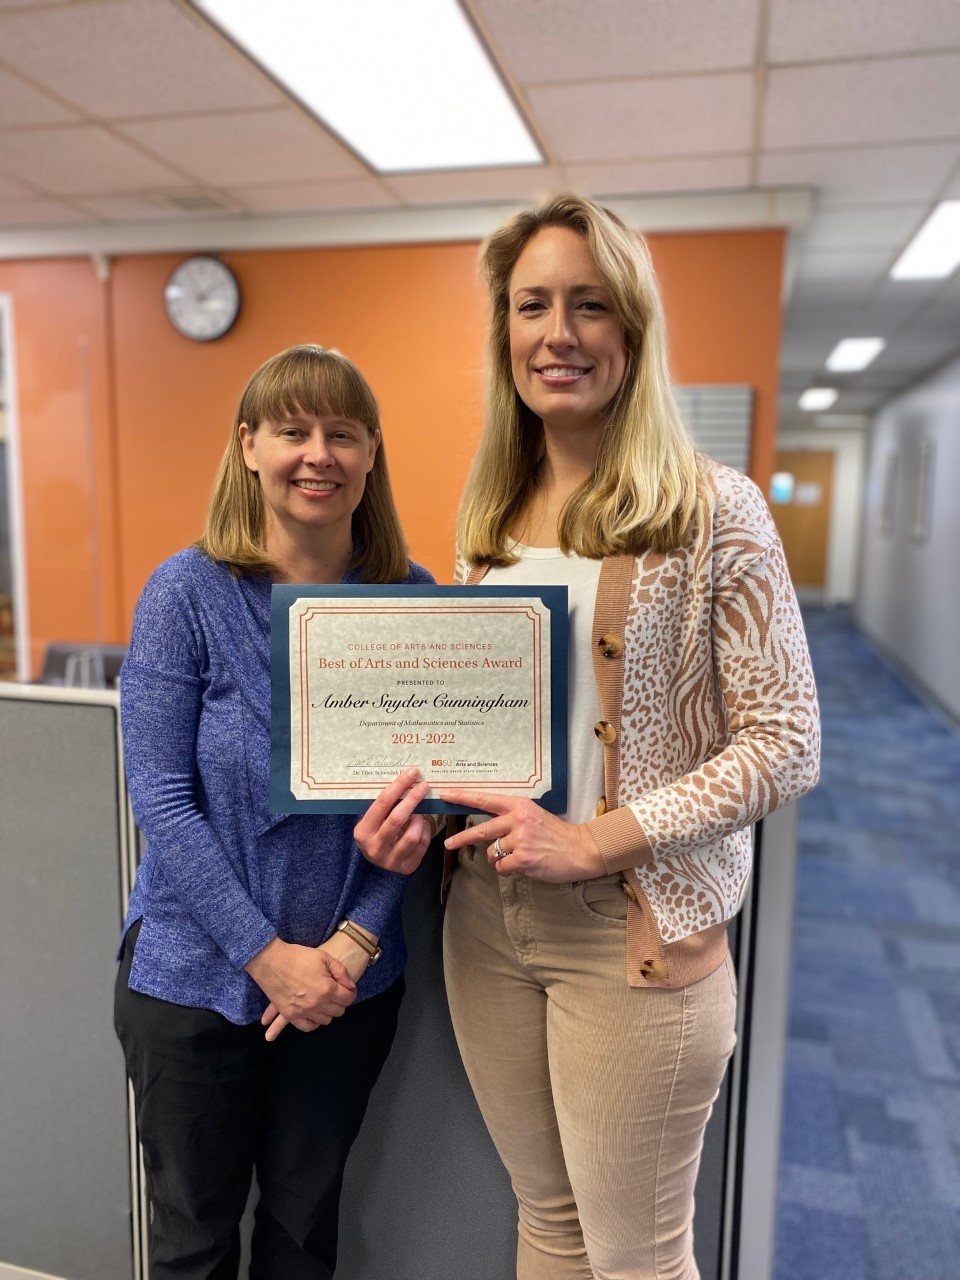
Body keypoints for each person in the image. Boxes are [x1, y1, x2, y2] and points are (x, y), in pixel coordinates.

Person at [361, 196, 821, 1280]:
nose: (556, 332)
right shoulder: (493, 521)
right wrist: (412, 814)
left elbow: (787, 738)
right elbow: (488, 734)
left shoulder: (715, 510)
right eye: (531, 305)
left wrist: (600, 838)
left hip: (635, 939)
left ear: (633, 330)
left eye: (588, 304)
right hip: (488, 926)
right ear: (503, 330)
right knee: (547, 1222)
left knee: (636, 1255)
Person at [114, 344, 434, 1280]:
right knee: (194, 1243)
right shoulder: (187, 594)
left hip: (347, 988)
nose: (317, 454)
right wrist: (267, 957)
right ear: (248, 445)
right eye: (292, 430)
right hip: (192, 980)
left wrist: (350, 949)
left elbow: (429, 808)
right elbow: (164, 804)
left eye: (343, 433)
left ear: (372, 453)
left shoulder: (410, 601)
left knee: (303, 1241)